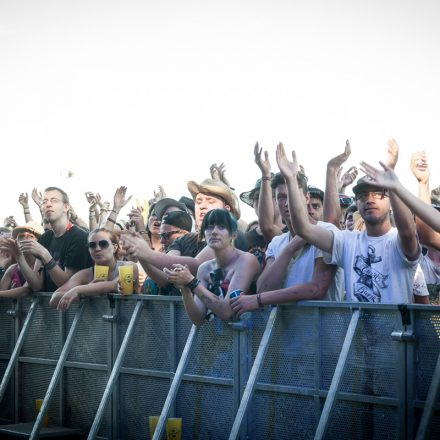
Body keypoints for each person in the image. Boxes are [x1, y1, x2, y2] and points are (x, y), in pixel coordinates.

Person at [278, 140, 428, 304]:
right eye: (363, 196)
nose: (369, 200)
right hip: (356, 330)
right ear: (356, 203)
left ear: (390, 199)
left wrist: (393, 184)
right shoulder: (348, 242)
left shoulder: (397, 241)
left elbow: (407, 232)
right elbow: (303, 229)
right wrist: (291, 180)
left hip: (396, 330)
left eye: (378, 193)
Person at [230, 166, 342, 316]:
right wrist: (290, 249)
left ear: (306, 197)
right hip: (286, 336)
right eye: (281, 197)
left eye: (293, 195)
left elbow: (316, 289)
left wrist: (259, 299)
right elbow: (264, 288)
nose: (287, 203)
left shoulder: (327, 232)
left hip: (326, 334)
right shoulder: (277, 243)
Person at [163, 209, 260, 325]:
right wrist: (185, 290)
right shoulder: (205, 268)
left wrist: (192, 282)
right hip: (216, 340)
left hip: (250, 338)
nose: (214, 232)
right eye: (209, 227)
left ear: (234, 234)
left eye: (222, 227)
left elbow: (227, 312)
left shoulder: (246, 260)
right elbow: (198, 319)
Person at [17, 187, 93, 293]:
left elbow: (67, 286)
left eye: (54, 200)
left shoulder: (79, 237)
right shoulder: (44, 238)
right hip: (49, 308)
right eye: (44, 201)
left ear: (66, 207)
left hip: (74, 308)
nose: (48, 204)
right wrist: (19, 257)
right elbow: (36, 285)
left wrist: (45, 255)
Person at [49, 228, 138, 310]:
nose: (97, 249)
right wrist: (84, 294)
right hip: (95, 326)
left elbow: (115, 284)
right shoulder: (85, 274)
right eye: (92, 245)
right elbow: (54, 299)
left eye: (103, 244)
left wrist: (80, 290)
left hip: (126, 325)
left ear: (115, 248)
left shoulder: (128, 266)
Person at [0, 222, 44, 297]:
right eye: (21, 235)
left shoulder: (42, 263)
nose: (25, 238)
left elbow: (26, 289)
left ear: (39, 241)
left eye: (31, 236)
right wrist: (1, 266)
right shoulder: (12, 269)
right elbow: (1, 289)